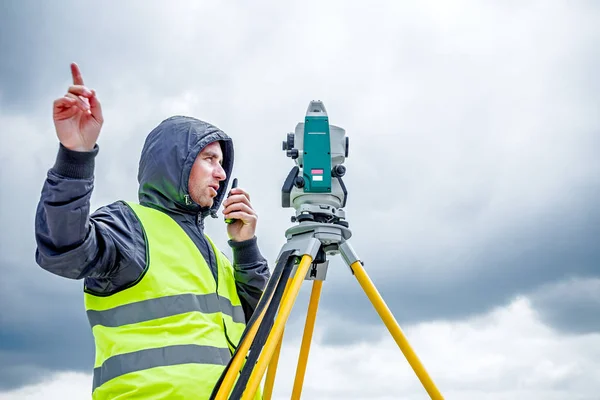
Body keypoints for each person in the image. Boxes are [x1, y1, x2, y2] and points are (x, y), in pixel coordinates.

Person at [34, 63, 270, 399]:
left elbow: (260, 326)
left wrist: (245, 247)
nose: (221, 174)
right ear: (177, 162)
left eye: (222, 163)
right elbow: (63, 248)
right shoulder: (130, 226)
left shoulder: (214, 254)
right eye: (208, 158)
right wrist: (75, 156)